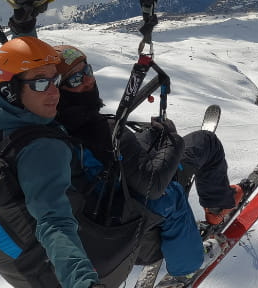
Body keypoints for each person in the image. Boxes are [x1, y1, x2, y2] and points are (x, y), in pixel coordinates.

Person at [0, 35, 141, 288]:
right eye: (41, 83)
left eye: (55, 81)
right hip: (78, 276)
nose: (55, 92)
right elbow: (54, 222)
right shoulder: (43, 148)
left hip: (32, 270)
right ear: (10, 91)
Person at [53, 45, 242, 265]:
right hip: (139, 229)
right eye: (75, 79)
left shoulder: (56, 130)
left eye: (87, 71)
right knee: (205, 142)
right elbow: (152, 186)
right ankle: (218, 207)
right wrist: (172, 140)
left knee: (151, 135)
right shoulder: (103, 132)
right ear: (57, 90)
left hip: (106, 209)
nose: (88, 80)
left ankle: (156, 138)